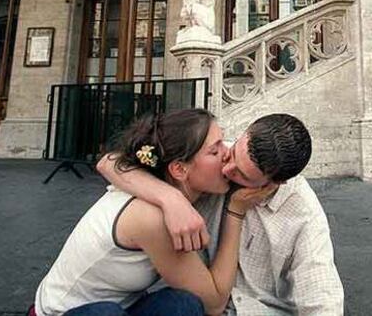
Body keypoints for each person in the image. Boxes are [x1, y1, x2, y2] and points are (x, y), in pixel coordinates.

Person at [34, 109, 275, 316]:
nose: (227, 153)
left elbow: (110, 160)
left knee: (183, 304)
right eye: (215, 151)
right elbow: (215, 302)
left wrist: (172, 198)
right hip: (64, 312)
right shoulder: (151, 218)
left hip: (124, 306)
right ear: (179, 169)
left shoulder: (153, 182)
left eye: (222, 141)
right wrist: (236, 211)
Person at [98, 113, 344, 315]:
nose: (226, 169)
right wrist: (170, 198)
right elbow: (111, 162)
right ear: (244, 134)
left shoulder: (302, 210)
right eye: (233, 152)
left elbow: (322, 294)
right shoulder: (211, 160)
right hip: (201, 306)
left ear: (276, 182)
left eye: (242, 176)